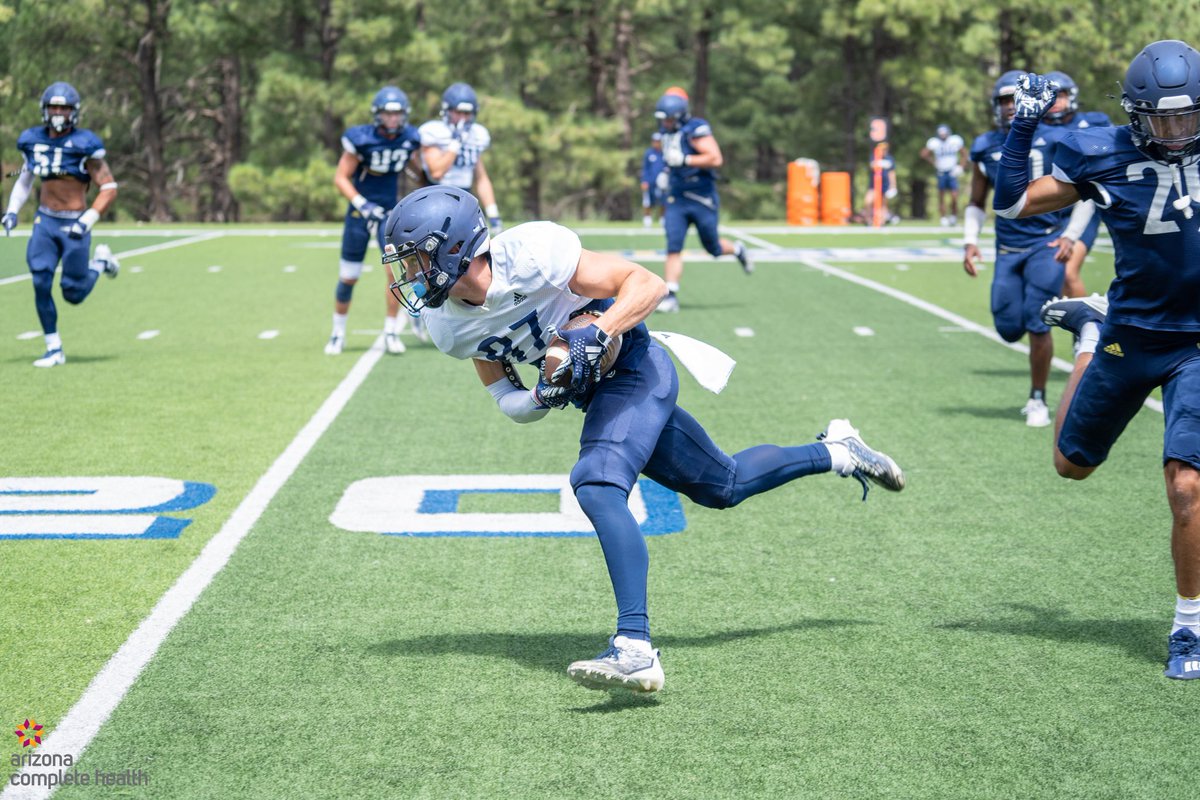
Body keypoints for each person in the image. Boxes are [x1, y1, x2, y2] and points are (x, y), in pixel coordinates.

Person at [381, 185, 906, 693]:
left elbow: (646, 284)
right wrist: (543, 394)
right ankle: (839, 450)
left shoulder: (533, 252)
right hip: (598, 396)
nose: (408, 276)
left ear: (453, 250)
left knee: (597, 482)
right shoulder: (449, 326)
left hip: (636, 366)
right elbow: (507, 401)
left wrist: (599, 331)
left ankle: (634, 646)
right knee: (723, 484)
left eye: (414, 261)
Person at [991, 41, 1200, 680]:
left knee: (1187, 485)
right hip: (1131, 333)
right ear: (1135, 116)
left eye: (1186, 119)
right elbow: (1012, 205)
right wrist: (1023, 125)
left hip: (1196, 342)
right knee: (1069, 465)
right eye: (1160, 121)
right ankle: (1087, 332)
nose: (1173, 133)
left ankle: (1189, 629)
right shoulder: (1101, 152)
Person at [962, 69, 1071, 428]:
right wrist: (970, 240)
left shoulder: (1057, 138)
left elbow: (1087, 188)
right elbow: (977, 199)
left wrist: (1072, 233)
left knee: (1037, 322)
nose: (1011, 107)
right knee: (1009, 328)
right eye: (1005, 100)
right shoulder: (985, 145)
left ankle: (1037, 398)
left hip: (1046, 241)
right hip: (1008, 247)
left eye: (1015, 99)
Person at [2, 82, 118, 368]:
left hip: (74, 223)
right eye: (54, 107)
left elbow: (109, 187)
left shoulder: (85, 144)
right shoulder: (32, 140)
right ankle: (54, 348)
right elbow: (26, 177)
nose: (58, 113)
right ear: (44, 109)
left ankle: (100, 263)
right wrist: (12, 211)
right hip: (45, 221)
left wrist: (87, 220)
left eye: (64, 108)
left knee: (73, 293)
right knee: (40, 279)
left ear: (74, 112)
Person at [326, 85, 421, 356]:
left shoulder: (409, 139)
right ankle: (338, 332)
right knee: (349, 276)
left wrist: (427, 183)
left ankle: (391, 331)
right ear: (377, 115)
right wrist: (362, 204)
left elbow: (416, 169)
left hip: (389, 213)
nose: (393, 119)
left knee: (394, 274)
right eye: (388, 114)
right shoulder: (362, 139)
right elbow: (340, 177)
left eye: (398, 113)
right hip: (360, 213)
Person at [413, 82, 501, 342]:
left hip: (464, 203)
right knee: (425, 263)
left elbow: (480, 175)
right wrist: (455, 143)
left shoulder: (478, 134)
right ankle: (418, 311)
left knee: (470, 260)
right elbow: (436, 171)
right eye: (457, 113)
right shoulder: (434, 132)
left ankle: (467, 314)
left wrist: (493, 211)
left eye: (467, 114)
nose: (462, 119)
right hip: (436, 201)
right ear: (445, 111)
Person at [653, 91, 752, 313]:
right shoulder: (666, 131)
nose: (665, 123)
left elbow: (715, 158)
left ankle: (736, 249)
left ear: (679, 115)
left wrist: (687, 159)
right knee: (673, 246)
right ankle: (671, 296)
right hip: (677, 196)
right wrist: (666, 173)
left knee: (713, 247)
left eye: (669, 118)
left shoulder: (695, 128)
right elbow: (670, 158)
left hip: (701, 197)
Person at [1039, 70, 1113, 298]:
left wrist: (1071, 234)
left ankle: (1088, 327)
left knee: (1068, 271)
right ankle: (1080, 329)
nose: (1056, 102)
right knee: (1055, 276)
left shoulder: (1093, 123)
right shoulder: (1034, 128)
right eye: (1050, 96)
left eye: (1059, 95)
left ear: (1071, 95)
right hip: (1053, 210)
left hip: (1087, 204)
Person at [920, 124, 967, 226]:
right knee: (941, 196)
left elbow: (964, 153)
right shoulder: (935, 142)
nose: (943, 136)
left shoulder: (954, 140)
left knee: (954, 196)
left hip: (952, 171)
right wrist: (933, 162)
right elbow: (923, 153)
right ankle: (943, 218)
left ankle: (953, 217)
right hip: (941, 171)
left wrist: (961, 167)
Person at [863, 141, 900, 226]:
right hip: (874, 185)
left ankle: (882, 221)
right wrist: (879, 163)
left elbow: (892, 173)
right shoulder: (874, 157)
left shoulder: (890, 159)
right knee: (868, 201)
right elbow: (872, 165)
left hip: (885, 184)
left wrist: (893, 185)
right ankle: (868, 221)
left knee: (883, 204)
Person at [639, 132, 665, 227]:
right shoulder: (649, 153)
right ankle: (647, 220)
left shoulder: (664, 153)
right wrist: (644, 181)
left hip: (662, 183)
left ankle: (663, 219)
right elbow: (645, 168)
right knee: (647, 202)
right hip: (650, 182)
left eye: (658, 141)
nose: (656, 143)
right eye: (655, 141)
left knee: (663, 201)